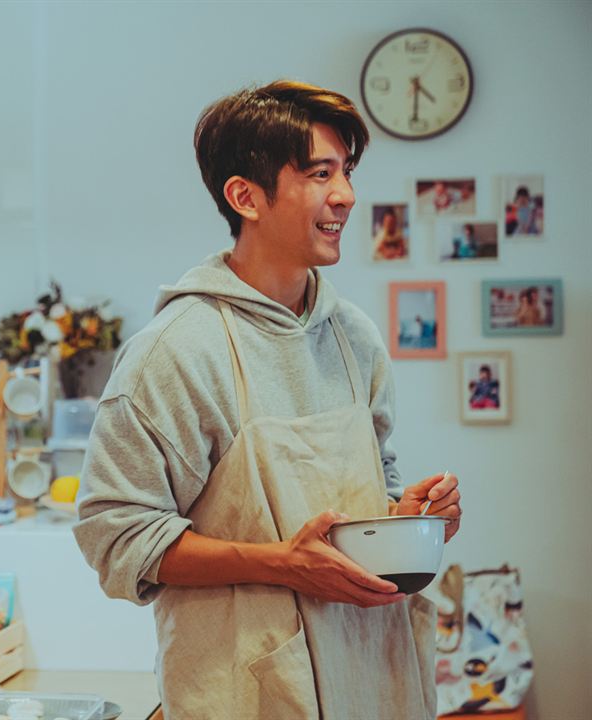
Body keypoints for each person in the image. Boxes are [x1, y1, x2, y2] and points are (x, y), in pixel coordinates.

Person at [72, 80, 462, 720]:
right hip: (244, 692)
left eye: (346, 171)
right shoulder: (176, 350)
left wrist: (407, 516)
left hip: (372, 677)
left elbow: (372, 491)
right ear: (244, 197)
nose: (346, 195)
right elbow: (116, 536)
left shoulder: (353, 338)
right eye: (319, 173)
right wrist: (281, 565)